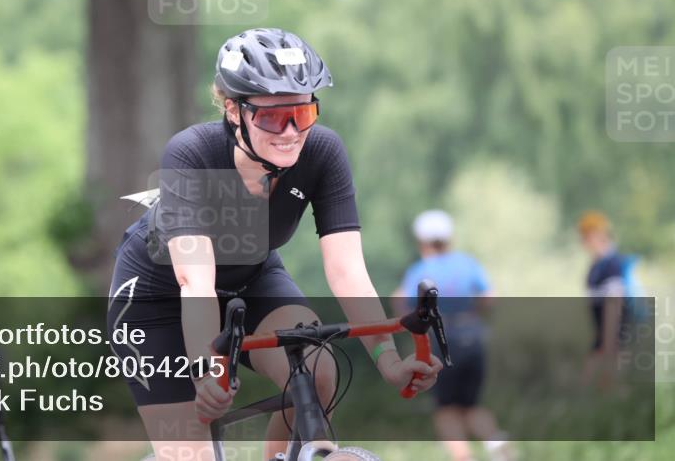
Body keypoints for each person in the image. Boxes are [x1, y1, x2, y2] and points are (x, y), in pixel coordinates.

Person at [107, 28, 442, 461]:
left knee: (319, 370)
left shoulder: (323, 152)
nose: (290, 132)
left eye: (302, 115)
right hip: (159, 299)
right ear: (233, 110)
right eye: (271, 117)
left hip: (253, 277)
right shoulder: (191, 154)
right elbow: (196, 282)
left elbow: (347, 271)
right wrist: (207, 372)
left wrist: (389, 362)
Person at [393, 210, 511, 461]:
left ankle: (463, 457)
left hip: (440, 341)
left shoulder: (420, 270)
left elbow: (401, 304)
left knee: (446, 410)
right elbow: (489, 298)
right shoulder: (468, 263)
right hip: (473, 338)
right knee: (472, 406)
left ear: (421, 241)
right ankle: (498, 448)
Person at [576, 210, 644, 389]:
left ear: (599, 235)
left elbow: (614, 305)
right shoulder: (596, 263)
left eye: (586, 235)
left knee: (610, 383)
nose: (582, 241)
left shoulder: (612, 264)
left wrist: (609, 343)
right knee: (598, 383)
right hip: (601, 333)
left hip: (612, 333)